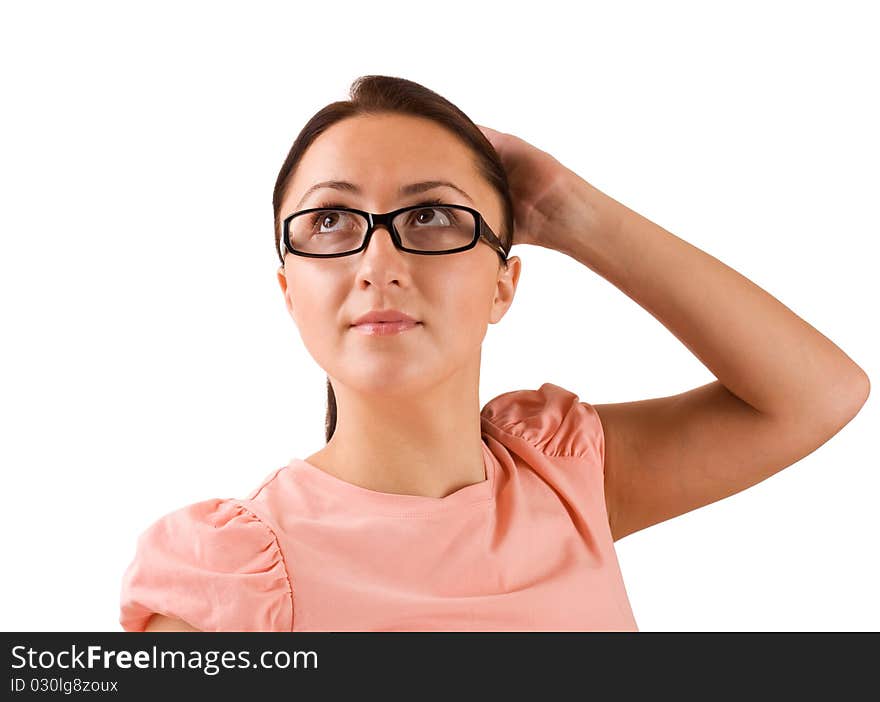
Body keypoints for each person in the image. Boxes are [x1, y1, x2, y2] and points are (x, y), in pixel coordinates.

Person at [119, 75, 870, 632]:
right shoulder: (231, 585)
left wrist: (568, 210)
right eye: (331, 221)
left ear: (503, 285)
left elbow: (820, 393)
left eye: (433, 214)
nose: (378, 261)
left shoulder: (567, 478)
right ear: (290, 291)